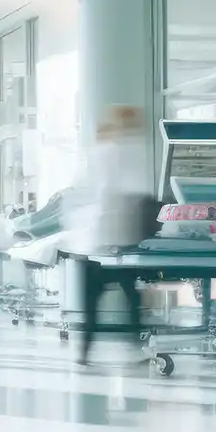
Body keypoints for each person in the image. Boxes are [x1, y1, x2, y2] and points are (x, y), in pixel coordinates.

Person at [68, 107, 153, 367]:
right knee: (129, 299)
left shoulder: (105, 155)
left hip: (105, 243)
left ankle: (86, 352)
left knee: (98, 302)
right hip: (108, 243)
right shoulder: (118, 155)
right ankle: (131, 348)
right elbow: (128, 197)